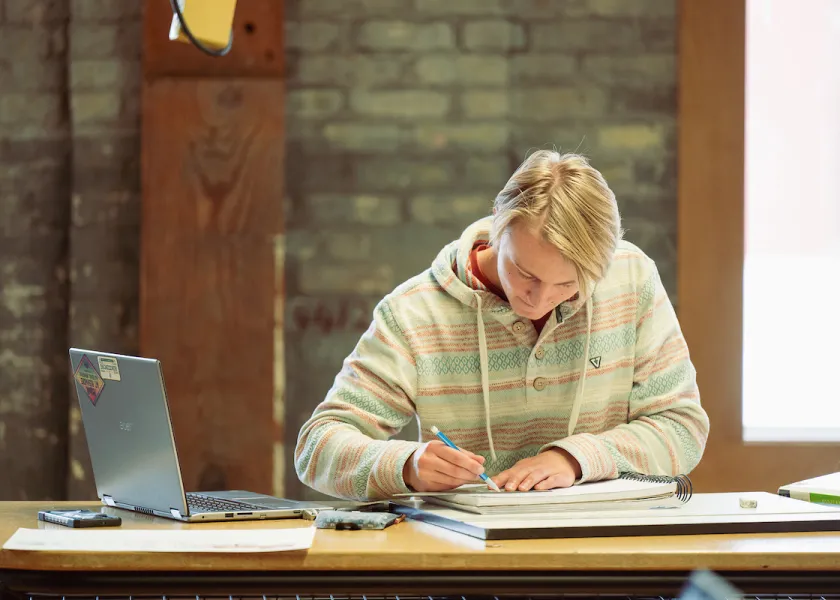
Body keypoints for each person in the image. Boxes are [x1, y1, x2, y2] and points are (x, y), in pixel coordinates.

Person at [294, 150, 710, 501]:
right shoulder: (413, 313)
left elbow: (682, 426)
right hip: (470, 567)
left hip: (606, 560)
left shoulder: (630, 277)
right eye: (524, 273)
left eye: (568, 284)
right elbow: (317, 446)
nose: (540, 298)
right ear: (497, 222)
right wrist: (405, 466)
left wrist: (575, 458)